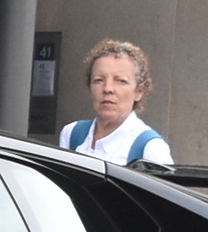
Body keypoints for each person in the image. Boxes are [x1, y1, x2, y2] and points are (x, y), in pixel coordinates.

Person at [58, 39, 173, 167]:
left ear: (139, 91)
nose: (108, 88)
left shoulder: (151, 148)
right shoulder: (72, 134)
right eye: (99, 80)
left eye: (121, 81)